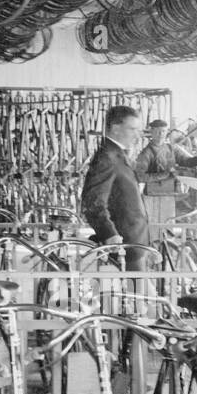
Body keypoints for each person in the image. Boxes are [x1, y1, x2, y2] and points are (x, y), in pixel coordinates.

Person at [81, 104, 149, 270]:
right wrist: (109, 234)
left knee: (138, 294)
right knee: (138, 294)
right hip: (123, 244)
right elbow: (93, 202)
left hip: (133, 242)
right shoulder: (107, 157)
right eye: (132, 129)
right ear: (116, 128)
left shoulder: (118, 154)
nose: (137, 135)